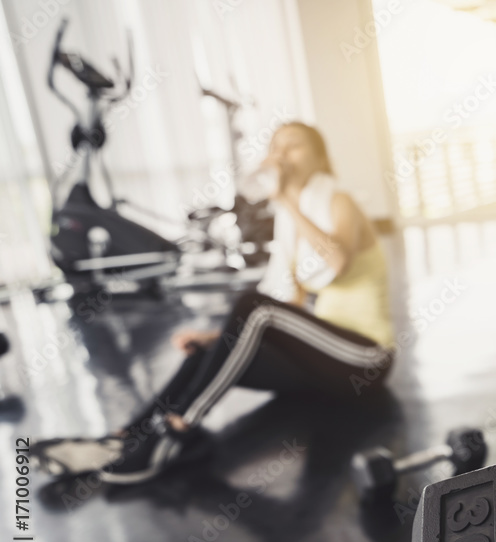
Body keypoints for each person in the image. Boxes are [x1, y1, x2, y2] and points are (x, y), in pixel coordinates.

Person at [31, 122, 395, 484]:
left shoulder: (338, 200)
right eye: (276, 148)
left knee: (255, 305)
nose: (282, 156)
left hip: (365, 359)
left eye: (294, 147)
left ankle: (179, 429)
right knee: (207, 350)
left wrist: (285, 198)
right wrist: (219, 339)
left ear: (320, 157)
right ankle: (128, 436)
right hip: (325, 366)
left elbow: (337, 261)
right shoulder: (290, 218)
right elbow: (291, 305)